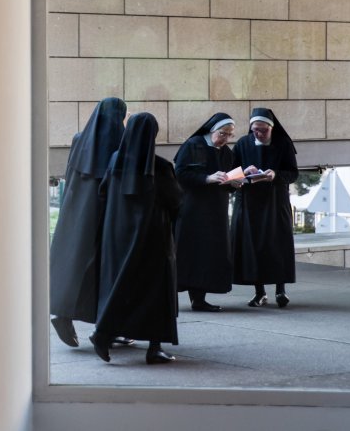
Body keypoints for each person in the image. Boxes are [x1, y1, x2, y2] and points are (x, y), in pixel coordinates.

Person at [90, 112, 184, 364]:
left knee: (122, 285)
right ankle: (154, 348)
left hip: (117, 237)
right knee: (157, 291)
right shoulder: (161, 167)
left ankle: (105, 332)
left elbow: (102, 194)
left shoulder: (114, 161)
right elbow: (176, 201)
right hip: (153, 239)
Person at [49, 97, 128, 348]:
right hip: (105, 217)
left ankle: (66, 316)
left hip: (75, 217)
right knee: (106, 271)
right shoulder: (120, 142)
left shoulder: (79, 139)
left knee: (76, 270)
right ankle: (107, 326)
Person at [230, 107, 299, 308]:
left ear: (271, 128)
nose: (258, 134)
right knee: (254, 247)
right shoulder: (243, 143)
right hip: (250, 203)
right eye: (255, 130)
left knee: (278, 245)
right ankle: (259, 292)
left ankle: (280, 290)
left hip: (276, 202)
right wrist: (244, 171)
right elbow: (231, 172)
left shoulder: (283, 143)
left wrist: (275, 175)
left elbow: (292, 173)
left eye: (262, 130)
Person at [173, 113, 238, 312]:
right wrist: (207, 178)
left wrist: (234, 183)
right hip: (193, 209)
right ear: (212, 130)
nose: (225, 139)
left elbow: (227, 177)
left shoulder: (226, 151)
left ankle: (200, 298)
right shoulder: (194, 144)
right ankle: (186, 296)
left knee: (209, 254)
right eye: (222, 134)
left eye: (229, 135)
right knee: (193, 252)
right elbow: (180, 173)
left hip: (216, 210)